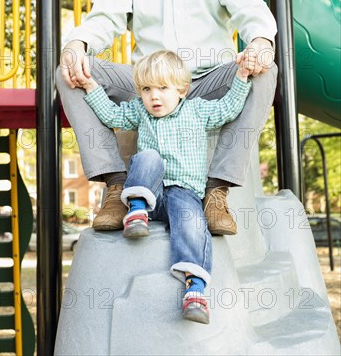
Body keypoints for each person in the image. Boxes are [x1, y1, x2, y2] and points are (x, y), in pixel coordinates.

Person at [56, 0, 277, 236]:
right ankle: (115, 186)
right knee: (68, 68)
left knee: (266, 70)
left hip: (206, 84)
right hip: (148, 87)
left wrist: (258, 41)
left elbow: (255, 16)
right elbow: (102, 22)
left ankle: (216, 191)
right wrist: (77, 44)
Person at [81, 50, 252, 324]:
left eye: (162, 88)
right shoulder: (140, 112)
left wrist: (242, 76)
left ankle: (195, 289)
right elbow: (113, 116)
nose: (154, 96)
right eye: (146, 89)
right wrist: (91, 88)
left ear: (183, 90)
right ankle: (135, 212)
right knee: (148, 158)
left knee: (192, 225)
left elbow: (228, 108)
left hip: (184, 194)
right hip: (151, 194)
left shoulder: (197, 110)